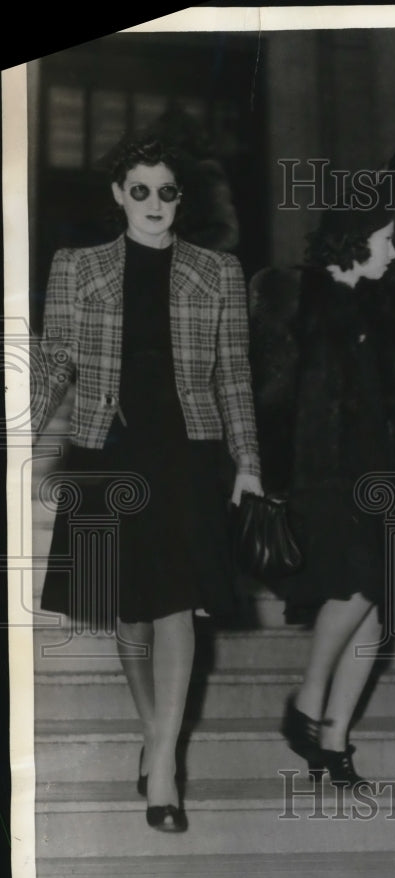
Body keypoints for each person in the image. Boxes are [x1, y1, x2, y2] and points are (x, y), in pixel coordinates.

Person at [34, 133, 262, 832]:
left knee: (177, 606)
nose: (154, 204)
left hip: (187, 453)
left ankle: (163, 768)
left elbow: (233, 376)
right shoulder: (77, 268)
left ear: (180, 198)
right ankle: (155, 732)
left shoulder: (216, 272)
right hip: (107, 451)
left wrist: (248, 462)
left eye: (167, 191)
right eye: (140, 190)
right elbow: (52, 364)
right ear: (117, 195)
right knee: (128, 612)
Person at [248, 128, 395, 788]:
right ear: (356, 238)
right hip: (321, 480)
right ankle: (307, 702)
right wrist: (259, 474)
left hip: (387, 477)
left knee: (375, 613)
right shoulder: (291, 298)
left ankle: (334, 741)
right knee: (354, 590)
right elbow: (266, 393)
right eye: (387, 238)